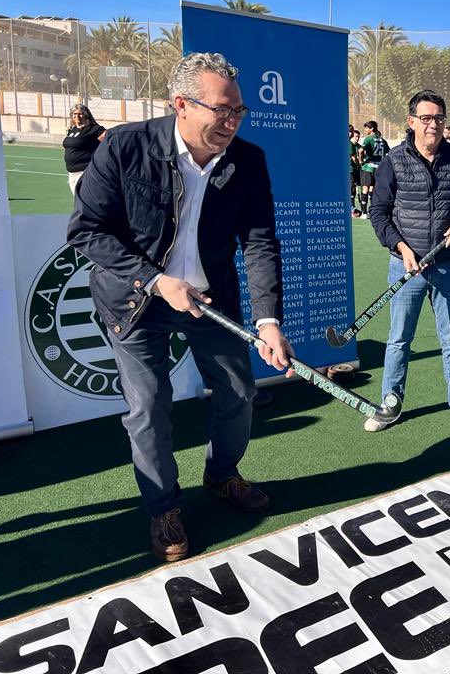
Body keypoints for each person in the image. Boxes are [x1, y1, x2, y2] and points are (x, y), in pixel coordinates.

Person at [67, 52, 294, 562]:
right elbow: (86, 231)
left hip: (209, 301)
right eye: (222, 110)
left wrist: (268, 321)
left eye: (239, 111)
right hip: (134, 300)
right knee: (149, 408)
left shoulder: (248, 160)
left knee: (238, 392)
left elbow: (259, 241)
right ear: (181, 105)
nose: (232, 122)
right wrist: (154, 279)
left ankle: (221, 476)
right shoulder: (126, 146)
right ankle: (163, 508)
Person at [368, 89, 450, 435]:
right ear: (412, 121)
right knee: (399, 339)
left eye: (440, 119)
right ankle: (390, 402)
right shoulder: (394, 160)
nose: (434, 125)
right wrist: (401, 248)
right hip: (406, 266)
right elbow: (379, 212)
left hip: (448, 264)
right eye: (427, 118)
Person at [62, 104, 106, 195]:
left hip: (85, 172)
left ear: (86, 115)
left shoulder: (94, 129)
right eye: (74, 114)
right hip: (72, 173)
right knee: (78, 200)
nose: (77, 116)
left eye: (80, 114)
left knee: (84, 200)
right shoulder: (72, 129)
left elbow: (110, 140)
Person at [359, 120, 389, 219]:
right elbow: (388, 152)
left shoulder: (368, 139)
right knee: (373, 189)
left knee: (365, 188)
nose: (365, 130)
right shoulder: (383, 140)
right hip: (379, 167)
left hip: (368, 167)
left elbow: (361, 150)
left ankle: (364, 212)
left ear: (372, 129)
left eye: (367, 128)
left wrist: (361, 160)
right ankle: (373, 212)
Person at [349, 128, 362, 217]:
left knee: (361, 189)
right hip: (350, 170)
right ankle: (352, 208)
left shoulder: (360, 146)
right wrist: (358, 163)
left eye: (358, 137)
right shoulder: (349, 145)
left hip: (358, 170)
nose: (357, 138)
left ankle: (363, 208)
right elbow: (354, 158)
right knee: (352, 189)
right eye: (356, 136)